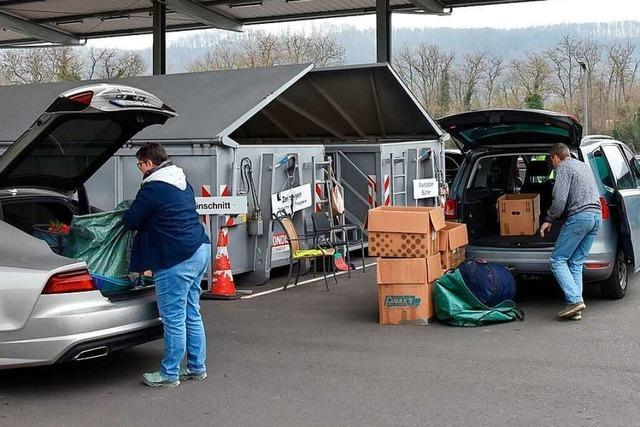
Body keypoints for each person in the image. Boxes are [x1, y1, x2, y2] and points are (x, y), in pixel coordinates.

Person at [123, 143, 211, 388]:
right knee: (192, 312)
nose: (140, 169)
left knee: (173, 317)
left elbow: (131, 220)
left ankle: (169, 374)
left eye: (140, 164)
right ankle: (196, 367)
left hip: (176, 256)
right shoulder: (181, 181)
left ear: (150, 163)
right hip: (199, 247)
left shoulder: (152, 188)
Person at [539, 143, 601, 321]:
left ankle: (574, 300)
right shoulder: (583, 165)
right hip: (596, 218)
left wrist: (549, 219)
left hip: (580, 218)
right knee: (576, 262)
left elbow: (559, 200)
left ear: (556, 157)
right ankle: (576, 306)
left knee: (557, 260)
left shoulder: (563, 168)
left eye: (552, 161)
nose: (553, 165)